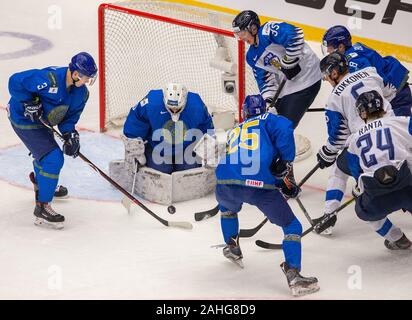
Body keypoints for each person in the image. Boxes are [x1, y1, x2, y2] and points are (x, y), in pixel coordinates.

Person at [215, 94, 319, 297]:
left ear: (244, 113)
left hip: (223, 183)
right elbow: (285, 129)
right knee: (292, 227)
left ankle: (232, 247)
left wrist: (281, 181)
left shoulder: (234, 130)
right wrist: (285, 163)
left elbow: (245, 162)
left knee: (226, 208)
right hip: (257, 186)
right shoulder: (270, 120)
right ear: (264, 109)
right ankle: (294, 274)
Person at [314, 52, 408, 234]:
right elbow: (390, 90)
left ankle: (329, 215)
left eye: (327, 75)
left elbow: (338, 137)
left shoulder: (334, 99)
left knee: (340, 170)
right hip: (394, 131)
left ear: (334, 73)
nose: (326, 80)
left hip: (364, 144)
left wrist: (327, 153)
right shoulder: (370, 72)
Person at [8, 52, 98, 229]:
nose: (87, 81)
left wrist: (70, 134)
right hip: (23, 119)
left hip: (43, 122)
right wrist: (29, 102)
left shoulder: (82, 94)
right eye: (86, 77)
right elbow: (15, 81)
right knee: (53, 158)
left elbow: (69, 119)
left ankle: (44, 185)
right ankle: (42, 206)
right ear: (75, 73)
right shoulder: (49, 79)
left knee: (47, 156)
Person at [232, 10, 322, 183]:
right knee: (272, 124)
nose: (241, 37)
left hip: (309, 77)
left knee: (282, 128)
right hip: (289, 84)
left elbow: (296, 34)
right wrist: (268, 101)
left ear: (252, 27)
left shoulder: (269, 30)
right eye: (238, 34)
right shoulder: (252, 57)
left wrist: (290, 60)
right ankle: (277, 171)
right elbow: (265, 81)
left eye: (242, 32)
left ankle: (287, 180)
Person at [345, 91, 412, 249]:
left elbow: (356, 174)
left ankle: (396, 238)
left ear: (362, 112)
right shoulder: (400, 122)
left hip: (377, 198)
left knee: (363, 211)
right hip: (407, 187)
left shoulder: (353, 140)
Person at [122, 83, 214, 174]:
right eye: (171, 108)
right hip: (157, 147)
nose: (174, 111)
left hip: (186, 148)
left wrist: (208, 147)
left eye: (177, 109)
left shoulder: (197, 105)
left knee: (188, 172)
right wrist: (134, 147)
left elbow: (206, 127)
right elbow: (136, 120)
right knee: (161, 172)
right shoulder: (151, 102)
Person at [321, 25, 411, 111]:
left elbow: (362, 86)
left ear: (341, 47)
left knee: (400, 126)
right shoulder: (356, 47)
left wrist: (336, 83)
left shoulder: (352, 63)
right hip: (396, 83)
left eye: (330, 48)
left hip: (396, 96)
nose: (328, 51)